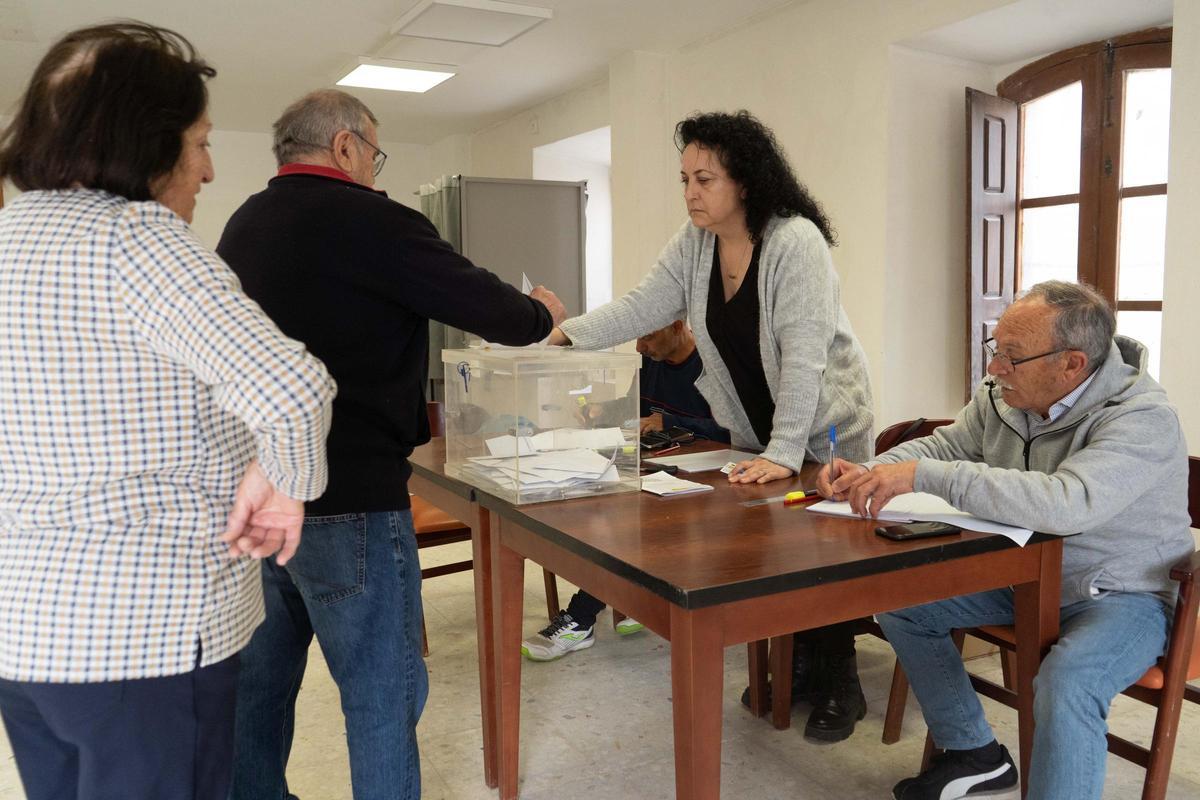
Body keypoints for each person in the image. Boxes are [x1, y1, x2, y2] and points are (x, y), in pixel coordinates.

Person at [0, 22, 336, 800]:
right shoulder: (136, 241)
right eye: (199, 142)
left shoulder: (8, 236)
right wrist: (283, 486)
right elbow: (293, 388)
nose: (209, 169)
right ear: (142, 142)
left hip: (25, 632)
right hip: (142, 635)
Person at [216, 89, 565, 800]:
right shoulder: (375, 222)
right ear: (345, 147)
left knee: (254, 701)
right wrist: (541, 312)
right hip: (354, 505)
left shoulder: (242, 225)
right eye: (373, 154)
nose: (375, 169)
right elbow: (489, 306)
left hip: (253, 503)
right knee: (379, 702)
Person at [548, 110, 875, 743]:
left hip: (823, 424)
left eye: (705, 179)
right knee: (778, 548)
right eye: (685, 179)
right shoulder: (696, 241)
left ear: (745, 181)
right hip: (757, 424)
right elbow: (644, 303)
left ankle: (841, 681)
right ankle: (799, 665)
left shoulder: (795, 240)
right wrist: (565, 337)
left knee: (824, 550)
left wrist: (784, 452)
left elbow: (805, 356)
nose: (692, 193)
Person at [819, 281, 1194, 800]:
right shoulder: (1007, 396)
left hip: (1122, 594)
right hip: (1028, 576)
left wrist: (927, 475)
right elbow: (947, 443)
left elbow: (1068, 503)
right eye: (996, 351)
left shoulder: (1141, 419)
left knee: (1067, 684)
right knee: (903, 602)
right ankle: (975, 753)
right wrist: (870, 470)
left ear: (1072, 364)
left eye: (1011, 357)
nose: (995, 369)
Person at [521, 320, 731, 661]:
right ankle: (632, 595)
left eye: (647, 337)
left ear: (678, 327)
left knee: (621, 524)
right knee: (599, 506)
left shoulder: (714, 364)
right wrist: (605, 409)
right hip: (660, 468)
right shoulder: (652, 361)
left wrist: (674, 424)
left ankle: (581, 618)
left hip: (709, 480)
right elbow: (638, 406)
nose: (639, 348)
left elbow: (734, 431)